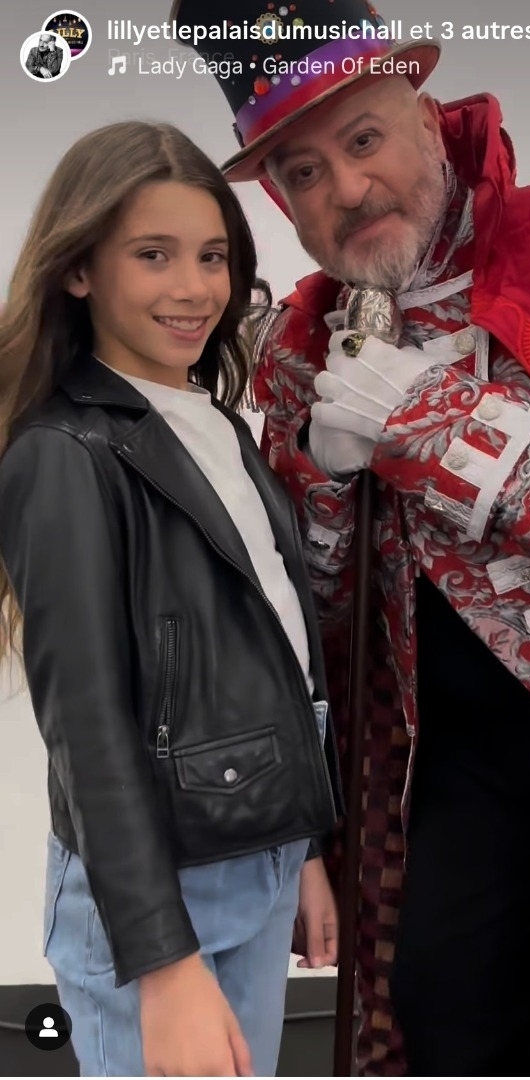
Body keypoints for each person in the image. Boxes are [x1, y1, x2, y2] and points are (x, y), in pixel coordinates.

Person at [177, 0, 530, 1075]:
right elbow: (313, 627)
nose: (346, 189)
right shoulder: (301, 343)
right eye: (303, 173)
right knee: (441, 1031)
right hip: (451, 783)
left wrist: (452, 433)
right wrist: (321, 484)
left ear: (423, 111)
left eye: (363, 139)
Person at [0, 119, 343, 1078]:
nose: (193, 289)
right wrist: (162, 962)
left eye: (212, 257)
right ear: (79, 270)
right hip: (155, 900)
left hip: (257, 863)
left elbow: (276, 649)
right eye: (153, 255)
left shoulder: (215, 425)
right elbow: (87, 729)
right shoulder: (63, 454)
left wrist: (303, 849)